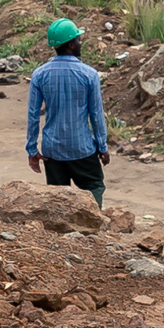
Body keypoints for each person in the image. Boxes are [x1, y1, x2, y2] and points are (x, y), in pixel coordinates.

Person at [25, 18, 109, 201]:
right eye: (78, 40)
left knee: (58, 200)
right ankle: (91, 227)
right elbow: (96, 114)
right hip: (83, 149)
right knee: (94, 187)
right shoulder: (89, 74)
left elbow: (33, 114)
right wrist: (102, 146)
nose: (80, 43)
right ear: (71, 44)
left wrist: (32, 150)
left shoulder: (39, 75)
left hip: (52, 151)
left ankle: (60, 230)